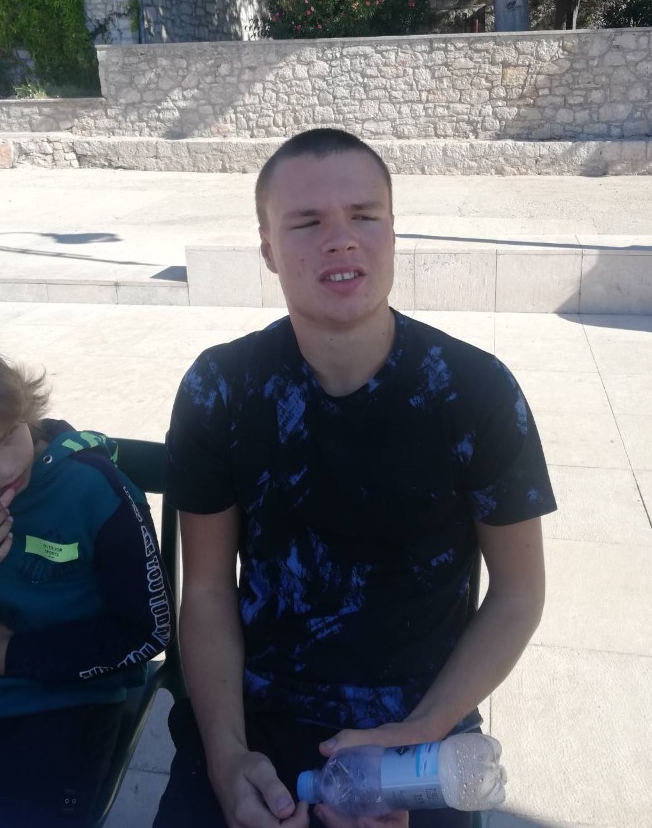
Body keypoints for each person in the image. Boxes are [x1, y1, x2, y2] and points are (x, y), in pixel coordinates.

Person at [154, 128, 556, 828]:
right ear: (268, 249)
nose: (341, 240)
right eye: (307, 223)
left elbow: (519, 594)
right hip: (253, 715)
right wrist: (225, 756)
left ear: (393, 232)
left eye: (364, 216)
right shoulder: (221, 387)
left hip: (420, 725)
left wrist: (423, 729)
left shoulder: (476, 390)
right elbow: (210, 590)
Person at [0, 337, 173, 827]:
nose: (5, 467)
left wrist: (14, 656)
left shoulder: (94, 489)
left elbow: (149, 630)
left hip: (65, 701)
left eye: (8, 434)